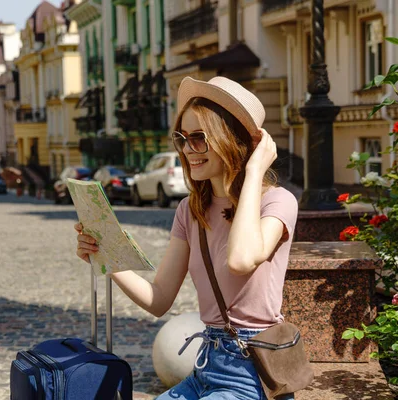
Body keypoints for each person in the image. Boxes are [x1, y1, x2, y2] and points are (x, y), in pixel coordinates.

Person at [74, 76, 298, 400]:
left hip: (254, 375)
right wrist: (105, 255)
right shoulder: (191, 210)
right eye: (182, 138)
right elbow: (159, 298)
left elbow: (240, 259)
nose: (187, 150)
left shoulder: (277, 202)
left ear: (231, 141)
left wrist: (253, 172)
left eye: (199, 138)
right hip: (206, 368)